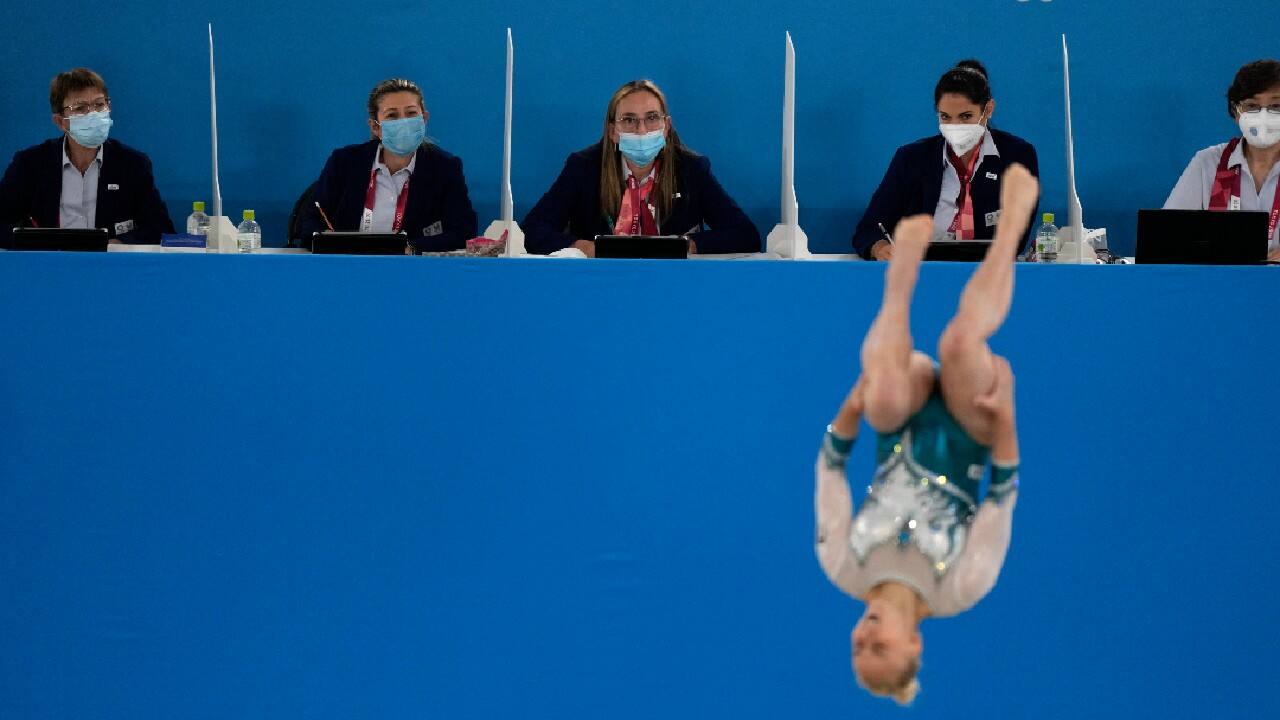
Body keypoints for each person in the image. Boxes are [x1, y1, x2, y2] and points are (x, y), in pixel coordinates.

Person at [816, 165, 1037, 705]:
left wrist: (852, 405)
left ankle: (899, 285)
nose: (865, 637)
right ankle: (1010, 232)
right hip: (970, 425)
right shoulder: (961, 589)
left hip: (904, 411)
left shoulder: (842, 568)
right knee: (961, 342)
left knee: (883, 396)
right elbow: (1001, 497)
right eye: (880, 649)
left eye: (857, 649)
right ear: (913, 643)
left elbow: (831, 468)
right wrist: (1005, 418)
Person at [522, 79, 760, 257]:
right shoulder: (583, 168)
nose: (642, 130)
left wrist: (688, 245)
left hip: (673, 286)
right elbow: (531, 230)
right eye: (629, 120)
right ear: (613, 131)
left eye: (652, 117)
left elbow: (745, 234)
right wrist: (584, 248)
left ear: (666, 127)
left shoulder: (691, 170)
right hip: (599, 285)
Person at [851, 61, 1039, 261]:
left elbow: (1017, 237)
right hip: (921, 272)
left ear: (988, 109)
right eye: (945, 117)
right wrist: (879, 248)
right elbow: (869, 229)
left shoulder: (1017, 157)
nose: (955, 126)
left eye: (966, 117)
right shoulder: (912, 158)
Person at [297, 78, 477, 251]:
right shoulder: (344, 162)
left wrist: (410, 248)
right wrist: (326, 241)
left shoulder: (444, 168)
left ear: (424, 118)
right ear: (375, 127)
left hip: (412, 270)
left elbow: (463, 232)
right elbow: (311, 221)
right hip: (349, 266)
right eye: (392, 115)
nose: (403, 122)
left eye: (411, 113)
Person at [0, 67, 174, 245]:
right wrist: (35, 242)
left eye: (99, 105)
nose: (93, 114)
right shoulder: (30, 164)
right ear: (60, 122)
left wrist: (119, 243)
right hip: (47, 266)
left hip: (109, 266)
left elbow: (160, 228)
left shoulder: (132, 164)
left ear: (109, 108)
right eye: (80, 108)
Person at [1165, 59, 1280, 260]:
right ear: (1236, 112)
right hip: (1219, 284)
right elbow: (1166, 238)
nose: (1263, 116)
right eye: (1252, 106)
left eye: (1276, 105)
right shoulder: (1208, 163)